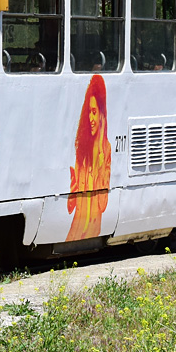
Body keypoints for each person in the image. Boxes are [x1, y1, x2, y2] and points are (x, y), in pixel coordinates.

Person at [67, 75, 112, 240]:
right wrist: (73, 188)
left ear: (101, 114)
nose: (91, 119)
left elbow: (103, 204)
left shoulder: (106, 150)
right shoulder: (82, 151)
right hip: (75, 228)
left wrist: (101, 172)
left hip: (93, 228)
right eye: (89, 113)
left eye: (94, 112)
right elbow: (71, 206)